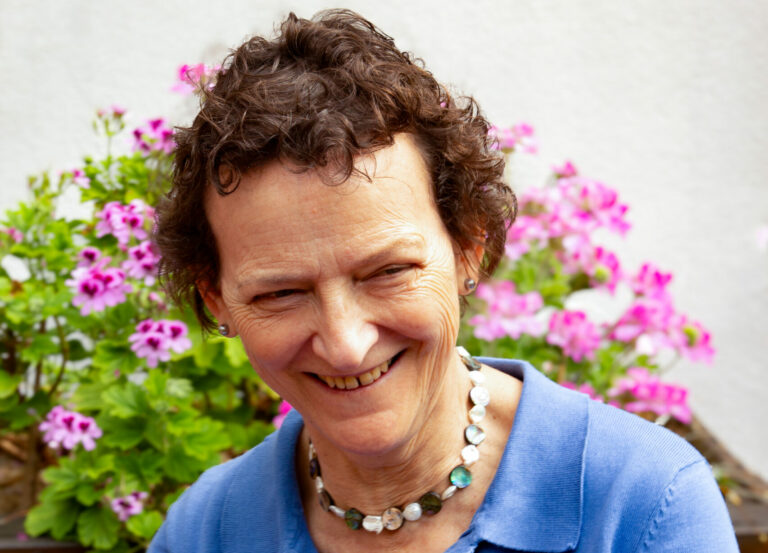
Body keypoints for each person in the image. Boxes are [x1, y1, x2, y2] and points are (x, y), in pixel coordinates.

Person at [148, 10, 738, 553]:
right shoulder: (205, 532)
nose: (346, 345)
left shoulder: (641, 505)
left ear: (469, 248)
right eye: (280, 293)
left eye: (388, 272)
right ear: (215, 298)